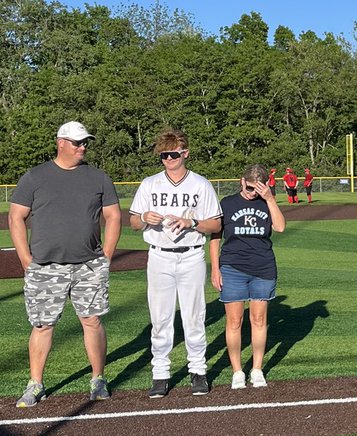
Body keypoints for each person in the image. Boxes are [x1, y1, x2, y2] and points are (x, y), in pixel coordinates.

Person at [9, 121, 121, 407]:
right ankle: (35, 384)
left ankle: (98, 379)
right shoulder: (34, 177)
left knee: (92, 321)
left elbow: (113, 216)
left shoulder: (99, 178)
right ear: (61, 142)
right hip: (46, 267)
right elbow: (16, 217)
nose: (82, 146)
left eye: (85, 142)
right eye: (77, 142)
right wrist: (25, 257)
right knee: (43, 324)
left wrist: (106, 255)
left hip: (88, 265)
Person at [129, 129, 223, 398]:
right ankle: (160, 373)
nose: (168, 159)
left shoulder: (200, 184)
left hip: (192, 253)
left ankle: (198, 370)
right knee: (160, 317)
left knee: (194, 315)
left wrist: (191, 222)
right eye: (163, 155)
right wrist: (145, 216)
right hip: (159, 254)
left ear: (185, 154)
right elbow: (134, 222)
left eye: (172, 154)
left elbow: (216, 223)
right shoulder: (150, 184)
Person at [210, 164, 286, 388]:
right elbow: (215, 238)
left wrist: (270, 199)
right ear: (242, 181)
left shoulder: (266, 202)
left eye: (257, 189)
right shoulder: (227, 203)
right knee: (234, 321)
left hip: (262, 268)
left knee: (259, 320)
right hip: (232, 267)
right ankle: (237, 371)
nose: (251, 193)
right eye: (249, 187)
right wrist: (215, 268)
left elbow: (280, 227)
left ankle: (257, 369)